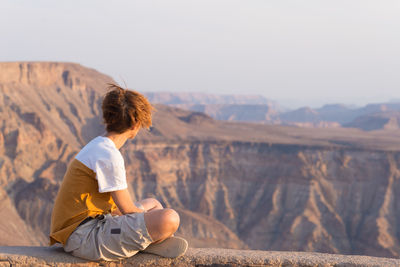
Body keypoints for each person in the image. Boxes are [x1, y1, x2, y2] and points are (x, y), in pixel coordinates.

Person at [49, 84, 188, 261]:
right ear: (136, 125)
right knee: (170, 218)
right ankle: (147, 242)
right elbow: (127, 210)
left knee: (153, 204)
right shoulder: (109, 155)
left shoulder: (98, 145)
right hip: (86, 238)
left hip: (87, 228)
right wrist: (153, 223)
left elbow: (114, 210)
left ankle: (145, 240)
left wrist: (147, 219)